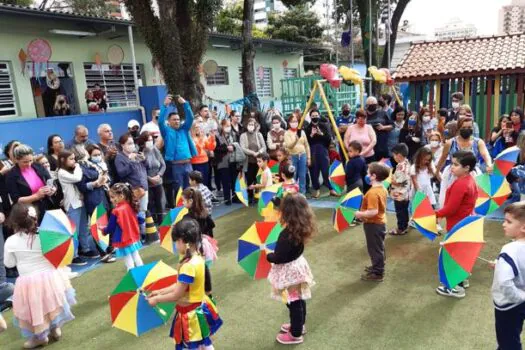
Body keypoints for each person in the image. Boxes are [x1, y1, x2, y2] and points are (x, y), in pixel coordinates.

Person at [4, 203, 76, 348]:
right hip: (51, 277)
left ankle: (40, 337)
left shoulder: (11, 241)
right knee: (51, 304)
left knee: (35, 309)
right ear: (35, 217)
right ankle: (55, 329)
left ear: (15, 222)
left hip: (28, 282)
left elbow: (9, 264)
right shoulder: (46, 235)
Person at [147, 218, 222, 350]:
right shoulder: (196, 257)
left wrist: (157, 299)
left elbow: (177, 294)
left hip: (191, 314)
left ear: (183, 241)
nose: (176, 245)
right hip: (196, 308)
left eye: (176, 241)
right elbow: (179, 285)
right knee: (204, 343)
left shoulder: (188, 265)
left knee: (198, 345)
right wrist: (159, 292)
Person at [267, 194, 316, 345]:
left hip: (290, 273)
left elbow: (279, 257)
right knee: (297, 300)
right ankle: (298, 326)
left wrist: (269, 256)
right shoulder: (300, 229)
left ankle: (295, 333)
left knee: (293, 302)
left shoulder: (286, 234)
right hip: (297, 267)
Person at [435, 151, 478, 298]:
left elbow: (451, 208)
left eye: (455, 164)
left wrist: (436, 215)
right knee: (460, 254)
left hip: (458, 224)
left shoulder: (461, 183)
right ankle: (462, 280)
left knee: (453, 255)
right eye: (451, 163)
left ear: (466, 167)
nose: (451, 167)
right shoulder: (470, 179)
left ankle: (455, 288)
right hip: (465, 222)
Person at [436, 117, 492, 208]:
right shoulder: (450, 143)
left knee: (472, 202)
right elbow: (442, 158)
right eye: (464, 127)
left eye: (469, 127)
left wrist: (489, 164)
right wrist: (437, 171)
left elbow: (486, 154)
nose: (467, 130)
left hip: (472, 175)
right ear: (459, 128)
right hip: (453, 175)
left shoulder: (478, 142)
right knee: (450, 202)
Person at [491, 201, 525, 350]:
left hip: (508, 304)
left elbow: (504, 283)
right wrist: (500, 265)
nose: (503, 224)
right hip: (521, 301)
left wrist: (519, 297)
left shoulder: (509, 250)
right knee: (514, 333)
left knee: (508, 341)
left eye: (508, 221)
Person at [75, 145, 115, 263]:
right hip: (93, 200)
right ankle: (103, 253)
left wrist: (105, 179)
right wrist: (96, 183)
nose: (97, 157)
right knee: (97, 227)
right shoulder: (80, 167)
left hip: (104, 197)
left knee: (106, 224)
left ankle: (109, 248)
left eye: (99, 154)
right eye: (94, 154)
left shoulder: (95, 165)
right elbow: (82, 186)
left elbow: (108, 178)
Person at [58, 149, 99, 262]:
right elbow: (77, 178)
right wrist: (78, 166)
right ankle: (74, 255)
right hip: (72, 204)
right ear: (63, 160)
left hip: (80, 202)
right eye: (71, 159)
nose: (74, 161)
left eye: (74, 159)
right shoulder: (61, 172)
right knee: (73, 231)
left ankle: (85, 249)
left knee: (84, 228)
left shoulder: (72, 170)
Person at [355, 162, 390, 282]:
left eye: (368, 173)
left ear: (374, 176)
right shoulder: (382, 188)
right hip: (379, 223)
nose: (366, 174)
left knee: (374, 248)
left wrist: (359, 214)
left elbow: (373, 211)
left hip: (374, 224)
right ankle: (378, 266)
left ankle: (378, 272)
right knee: (379, 247)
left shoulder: (373, 193)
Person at [6, 144, 57, 223]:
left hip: (48, 205)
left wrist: (53, 189)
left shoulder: (38, 166)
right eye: (25, 162)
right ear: (16, 160)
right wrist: (36, 196)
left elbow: (50, 181)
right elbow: (16, 200)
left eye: (31, 160)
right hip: (30, 212)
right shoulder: (11, 175)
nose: (29, 164)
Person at [159, 95, 197, 197]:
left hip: (188, 165)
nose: (177, 121)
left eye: (178, 119)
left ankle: (190, 210)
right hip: (176, 166)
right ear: (169, 121)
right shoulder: (166, 131)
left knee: (190, 189)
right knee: (179, 191)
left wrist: (185, 104)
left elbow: (191, 117)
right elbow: (160, 121)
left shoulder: (184, 129)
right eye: (174, 119)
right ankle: (180, 211)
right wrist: (165, 105)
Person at [115, 133, 149, 240]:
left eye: (132, 143)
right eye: (129, 143)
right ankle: (137, 234)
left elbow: (146, 168)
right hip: (132, 190)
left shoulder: (135, 154)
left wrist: (144, 159)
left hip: (144, 187)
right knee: (134, 212)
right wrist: (130, 161)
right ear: (122, 145)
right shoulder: (119, 158)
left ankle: (143, 233)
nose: (132, 145)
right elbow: (121, 173)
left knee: (142, 211)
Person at [103, 183, 144, 270]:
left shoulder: (116, 211)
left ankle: (132, 277)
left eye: (113, 197)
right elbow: (140, 219)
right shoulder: (130, 206)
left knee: (128, 260)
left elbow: (110, 227)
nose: (111, 200)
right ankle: (142, 273)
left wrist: (104, 231)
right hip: (133, 237)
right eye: (110, 197)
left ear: (121, 196)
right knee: (136, 256)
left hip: (123, 239)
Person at [306, 110, 337, 198]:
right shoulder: (308, 128)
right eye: (313, 115)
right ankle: (317, 189)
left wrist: (321, 134)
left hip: (323, 151)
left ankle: (331, 189)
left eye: (316, 115)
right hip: (312, 152)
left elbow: (328, 139)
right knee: (314, 171)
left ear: (319, 116)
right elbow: (306, 142)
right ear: (310, 117)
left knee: (326, 170)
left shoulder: (324, 126)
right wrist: (311, 135)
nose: (315, 117)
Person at [136, 131, 166, 226]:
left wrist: (159, 175)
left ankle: (161, 222)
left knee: (160, 203)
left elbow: (163, 164)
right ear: (143, 141)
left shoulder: (155, 150)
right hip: (147, 183)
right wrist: (150, 179)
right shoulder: (140, 153)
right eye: (148, 140)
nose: (150, 142)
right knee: (150, 204)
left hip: (158, 181)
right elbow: (141, 169)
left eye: (151, 140)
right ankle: (151, 223)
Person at [215, 119, 243, 205]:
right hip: (223, 162)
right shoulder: (217, 136)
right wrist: (226, 148)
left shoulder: (233, 135)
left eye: (229, 126)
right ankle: (227, 199)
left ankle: (235, 197)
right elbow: (216, 148)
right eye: (226, 126)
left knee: (234, 180)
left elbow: (236, 145)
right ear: (222, 126)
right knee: (225, 181)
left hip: (233, 160)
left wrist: (233, 147)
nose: (228, 128)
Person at [240, 118, 267, 202]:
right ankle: (250, 196)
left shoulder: (259, 134)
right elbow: (243, 148)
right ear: (246, 125)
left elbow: (264, 146)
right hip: (249, 162)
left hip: (259, 162)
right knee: (250, 179)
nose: (251, 126)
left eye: (252, 124)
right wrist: (252, 153)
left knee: (258, 179)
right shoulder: (243, 135)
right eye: (249, 124)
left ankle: (258, 195)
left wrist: (259, 152)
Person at [284, 114, 310, 195]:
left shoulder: (302, 131)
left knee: (303, 175)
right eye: (292, 121)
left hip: (302, 155)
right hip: (292, 156)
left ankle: (302, 193)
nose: (294, 123)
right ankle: (293, 193)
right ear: (289, 123)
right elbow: (289, 146)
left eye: (295, 121)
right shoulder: (287, 133)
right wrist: (295, 140)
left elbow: (306, 145)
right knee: (293, 175)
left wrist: (309, 157)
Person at [389, 144, 411, 236]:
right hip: (406, 192)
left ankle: (401, 228)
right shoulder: (406, 162)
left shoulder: (401, 166)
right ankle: (404, 226)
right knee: (404, 210)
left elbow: (398, 182)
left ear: (399, 155)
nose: (393, 157)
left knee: (400, 211)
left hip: (400, 193)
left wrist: (389, 178)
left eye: (394, 155)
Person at [364, 96, 393, 160]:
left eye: (374, 104)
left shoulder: (383, 113)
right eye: (370, 104)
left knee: (385, 168)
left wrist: (383, 127)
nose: (373, 106)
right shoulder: (363, 115)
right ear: (367, 105)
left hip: (382, 147)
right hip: (368, 149)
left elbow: (392, 126)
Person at [191, 121, 216, 189]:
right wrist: (201, 140)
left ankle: (206, 196)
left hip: (205, 161)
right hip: (196, 163)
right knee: (199, 182)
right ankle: (199, 197)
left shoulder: (202, 136)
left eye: (199, 127)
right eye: (196, 127)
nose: (198, 129)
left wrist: (212, 138)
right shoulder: (191, 138)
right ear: (192, 128)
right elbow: (197, 151)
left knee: (205, 180)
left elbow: (210, 147)